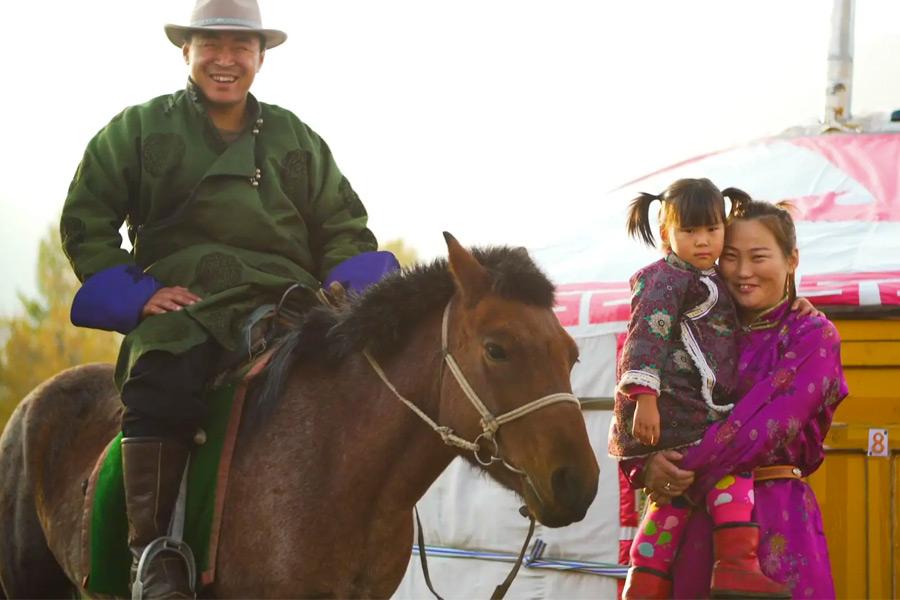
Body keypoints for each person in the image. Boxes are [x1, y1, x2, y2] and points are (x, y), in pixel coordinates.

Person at [59, 1, 396, 596]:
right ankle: (152, 554)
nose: (225, 59)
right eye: (211, 45)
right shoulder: (139, 130)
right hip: (187, 304)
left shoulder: (296, 139)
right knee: (165, 377)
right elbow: (86, 217)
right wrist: (136, 295)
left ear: (261, 57)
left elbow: (344, 225)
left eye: (241, 46)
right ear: (185, 50)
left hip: (287, 300)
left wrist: (349, 295)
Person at [621, 195, 848, 599]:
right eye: (730, 257)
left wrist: (680, 471)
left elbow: (764, 430)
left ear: (792, 260)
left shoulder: (811, 336)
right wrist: (644, 465)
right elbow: (634, 394)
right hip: (692, 529)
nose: (743, 272)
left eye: (759, 257)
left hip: (774, 523)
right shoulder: (691, 327)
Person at [610, 179, 791, 598]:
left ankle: (643, 581)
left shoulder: (710, 278)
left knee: (669, 505)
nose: (703, 241)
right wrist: (645, 400)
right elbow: (644, 340)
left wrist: (794, 300)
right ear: (665, 232)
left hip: (687, 410)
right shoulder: (663, 278)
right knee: (732, 472)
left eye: (712, 229)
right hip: (677, 410)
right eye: (690, 231)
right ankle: (737, 565)